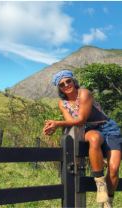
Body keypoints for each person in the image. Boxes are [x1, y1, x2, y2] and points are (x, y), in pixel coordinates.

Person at [43, 70, 122, 207]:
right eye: (62, 84)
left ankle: (108, 201)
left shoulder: (84, 93)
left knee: (114, 169)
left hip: (109, 128)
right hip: (90, 131)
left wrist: (57, 124)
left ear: (73, 81)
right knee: (94, 139)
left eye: (68, 81)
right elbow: (71, 122)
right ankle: (100, 184)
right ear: (59, 88)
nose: (66, 85)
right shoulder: (62, 103)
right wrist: (54, 125)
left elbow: (80, 120)